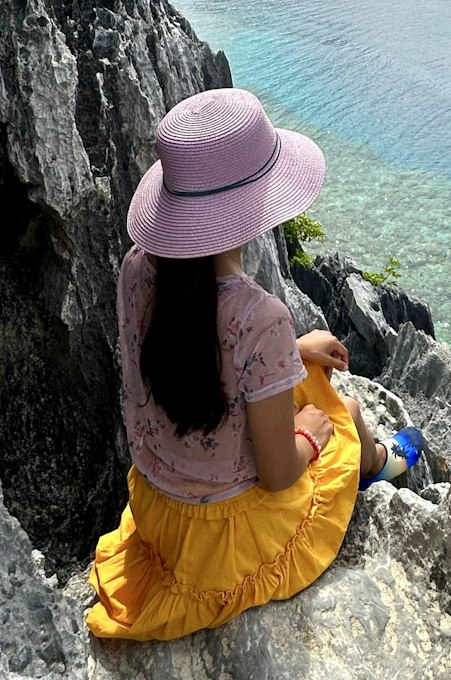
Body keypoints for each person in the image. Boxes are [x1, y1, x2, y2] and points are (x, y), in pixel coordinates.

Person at [85, 87, 422, 642]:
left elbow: (197, 351)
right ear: (255, 204)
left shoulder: (137, 270)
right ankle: (376, 462)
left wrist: (294, 349)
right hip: (226, 541)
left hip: (158, 513)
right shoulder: (259, 318)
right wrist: (310, 437)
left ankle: (373, 456)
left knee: (304, 376)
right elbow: (278, 472)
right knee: (341, 411)